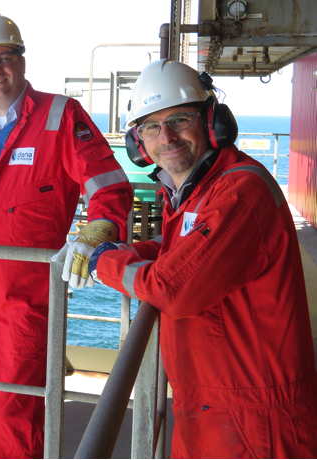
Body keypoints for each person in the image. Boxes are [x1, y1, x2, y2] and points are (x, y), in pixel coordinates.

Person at [85, 59, 317, 458]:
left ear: (213, 122)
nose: (167, 138)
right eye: (151, 128)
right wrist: (129, 250)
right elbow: (182, 250)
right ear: (138, 144)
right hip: (210, 405)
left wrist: (100, 259)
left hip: (255, 418)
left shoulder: (239, 191)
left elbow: (173, 289)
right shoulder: (194, 189)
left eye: (179, 120)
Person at [0, 12, 133, 459]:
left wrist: (98, 229)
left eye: (5, 58)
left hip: (27, 290)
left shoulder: (59, 115)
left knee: (16, 401)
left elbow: (108, 185)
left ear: (22, 60)